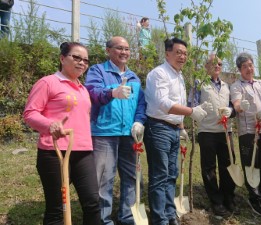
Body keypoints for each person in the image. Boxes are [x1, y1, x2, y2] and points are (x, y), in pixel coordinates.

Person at [23, 42, 101, 225]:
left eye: (85, 60)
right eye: (76, 57)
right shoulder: (48, 82)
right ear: (62, 58)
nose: (82, 63)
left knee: (92, 203)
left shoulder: (83, 89)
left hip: (83, 151)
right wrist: (50, 125)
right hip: (54, 152)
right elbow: (30, 113)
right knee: (57, 207)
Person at [144, 37, 213, 225]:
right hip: (158, 128)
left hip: (173, 129)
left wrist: (181, 127)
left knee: (171, 174)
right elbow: (163, 103)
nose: (182, 56)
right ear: (167, 54)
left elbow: (178, 104)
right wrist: (191, 112)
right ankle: (160, 219)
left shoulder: (179, 75)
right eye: (178, 52)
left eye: (185, 53)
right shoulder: (159, 74)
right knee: (159, 176)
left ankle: (169, 214)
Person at [84, 36, 147, 225]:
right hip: (104, 133)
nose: (124, 52)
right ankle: (103, 220)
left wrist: (139, 122)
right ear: (108, 50)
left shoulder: (134, 77)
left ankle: (128, 218)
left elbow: (141, 104)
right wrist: (112, 92)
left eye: (127, 49)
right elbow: (92, 93)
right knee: (104, 179)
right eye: (119, 48)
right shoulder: (98, 71)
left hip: (129, 135)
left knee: (133, 177)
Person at [188, 54, 237, 217]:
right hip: (207, 131)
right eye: (213, 63)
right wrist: (201, 107)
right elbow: (191, 106)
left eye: (220, 64)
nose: (217, 66)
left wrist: (231, 111)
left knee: (228, 164)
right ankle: (216, 201)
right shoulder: (199, 83)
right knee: (209, 168)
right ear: (206, 66)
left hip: (225, 131)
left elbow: (232, 107)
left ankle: (228, 196)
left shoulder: (226, 86)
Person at [230, 52, 261, 216]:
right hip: (247, 131)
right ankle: (254, 197)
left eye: (250, 65)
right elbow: (236, 105)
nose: (249, 69)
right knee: (251, 164)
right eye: (245, 67)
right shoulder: (236, 86)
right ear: (239, 70)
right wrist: (240, 105)